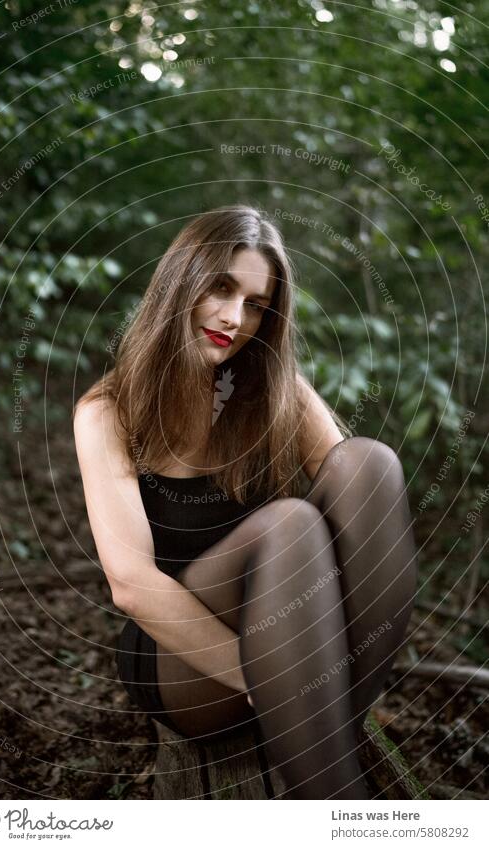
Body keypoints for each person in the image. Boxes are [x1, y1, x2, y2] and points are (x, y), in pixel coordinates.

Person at [73, 204, 418, 799]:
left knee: (370, 463)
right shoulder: (109, 411)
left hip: (288, 636)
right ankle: (341, 804)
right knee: (289, 525)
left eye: (256, 304)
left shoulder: (273, 389)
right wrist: (269, 678)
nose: (234, 319)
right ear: (182, 281)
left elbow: (356, 514)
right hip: (181, 661)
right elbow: (130, 583)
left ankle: (326, 742)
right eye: (220, 288)